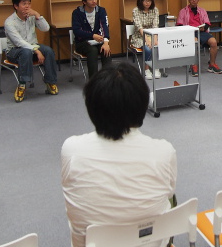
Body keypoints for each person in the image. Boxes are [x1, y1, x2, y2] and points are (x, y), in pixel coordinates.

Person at [61, 63, 177, 247]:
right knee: (170, 196)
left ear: (91, 107)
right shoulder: (164, 151)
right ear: (142, 105)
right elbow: (168, 192)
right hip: (150, 242)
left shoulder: (70, 149)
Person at [4, 0, 58, 102]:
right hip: (14, 51)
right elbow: (18, 42)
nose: (27, 6)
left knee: (48, 51)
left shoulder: (31, 17)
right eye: (24, 4)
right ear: (16, 6)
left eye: (29, 3)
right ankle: (22, 85)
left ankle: (50, 81)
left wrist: (37, 15)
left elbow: (46, 28)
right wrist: (36, 51)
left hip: (33, 47)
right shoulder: (10, 22)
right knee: (25, 52)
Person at [176, 0, 222, 76]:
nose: (194, 0)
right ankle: (194, 65)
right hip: (188, 33)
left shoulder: (202, 11)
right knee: (194, 41)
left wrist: (203, 28)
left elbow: (207, 23)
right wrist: (188, 29)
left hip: (201, 31)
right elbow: (179, 25)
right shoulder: (183, 11)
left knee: (213, 42)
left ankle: (212, 64)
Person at [71, 0, 112, 79]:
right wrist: (92, 35)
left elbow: (105, 26)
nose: (94, 1)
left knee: (106, 49)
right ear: (84, 2)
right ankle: (94, 81)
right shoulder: (77, 13)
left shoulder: (101, 10)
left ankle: (109, 79)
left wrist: (106, 42)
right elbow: (77, 31)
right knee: (92, 50)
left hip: (98, 41)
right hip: (82, 42)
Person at [131, 0, 160, 80]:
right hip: (139, 36)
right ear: (140, 1)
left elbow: (155, 26)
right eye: (145, 1)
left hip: (152, 34)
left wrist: (154, 39)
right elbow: (139, 27)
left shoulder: (155, 10)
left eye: (149, 0)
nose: (147, 3)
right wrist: (147, 40)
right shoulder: (135, 11)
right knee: (147, 48)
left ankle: (156, 67)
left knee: (158, 45)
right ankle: (147, 68)